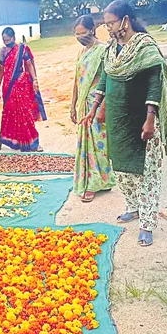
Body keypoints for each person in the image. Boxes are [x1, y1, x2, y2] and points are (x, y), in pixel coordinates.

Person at [82, 0, 167, 247]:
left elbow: (155, 84)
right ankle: (133, 208)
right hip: (118, 120)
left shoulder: (145, 48)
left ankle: (147, 224)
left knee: (146, 173)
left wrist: (150, 119)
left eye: (111, 23)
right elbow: (104, 80)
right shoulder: (112, 50)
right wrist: (93, 108)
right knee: (122, 170)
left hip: (141, 120)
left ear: (125, 20)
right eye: (106, 23)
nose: (108, 28)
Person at [70, 15, 116, 203]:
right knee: (85, 143)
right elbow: (77, 80)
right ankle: (89, 181)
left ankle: (100, 181)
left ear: (92, 30)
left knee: (99, 143)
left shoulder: (103, 50)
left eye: (83, 33)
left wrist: (103, 107)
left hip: (97, 102)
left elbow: (109, 81)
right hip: (83, 103)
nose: (80, 37)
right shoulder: (82, 52)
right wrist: (72, 105)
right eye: (77, 34)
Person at [0, 27, 46, 152]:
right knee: (8, 113)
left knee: (25, 113)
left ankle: (33, 143)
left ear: (13, 38)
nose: (6, 42)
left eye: (7, 40)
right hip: (8, 86)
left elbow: (29, 64)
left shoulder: (22, 49)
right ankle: (2, 139)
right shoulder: (2, 52)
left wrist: (34, 80)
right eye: (3, 40)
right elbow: (1, 71)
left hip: (21, 85)